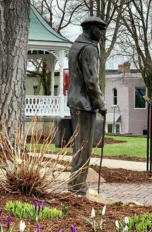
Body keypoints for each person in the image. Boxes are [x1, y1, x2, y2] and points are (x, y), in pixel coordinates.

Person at [67, 16, 107, 195]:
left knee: (79, 144)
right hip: (84, 103)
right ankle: (78, 185)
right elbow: (92, 80)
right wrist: (100, 103)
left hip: (75, 101)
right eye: (100, 29)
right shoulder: (89, 48)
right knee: (84, 145)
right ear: (91, 28)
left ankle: (76, 183)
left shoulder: (76, 45)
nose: (102, 34)